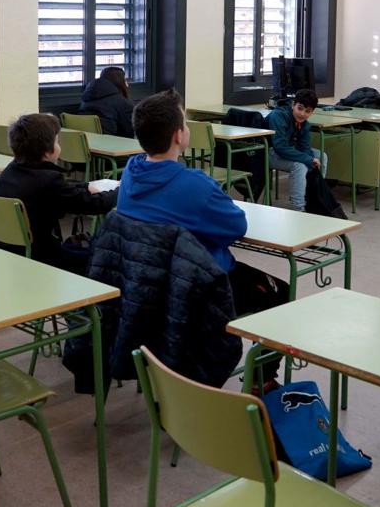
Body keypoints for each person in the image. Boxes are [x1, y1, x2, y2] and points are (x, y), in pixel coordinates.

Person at [116, 89, 288, 384]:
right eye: (183, 122)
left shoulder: (131, 174)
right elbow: (236, 226)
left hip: (148, 283)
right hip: (202, 284)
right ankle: (263, 380)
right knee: (281, 293)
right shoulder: (194, 185)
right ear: (177, 136)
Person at [0, 112, 117, 269]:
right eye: (58, 142)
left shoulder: (11, 170)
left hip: (9, 254)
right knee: (104, 261)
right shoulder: (49, 180)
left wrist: (85, 186)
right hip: (41, 258)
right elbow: (95, 205)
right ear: (47, 151)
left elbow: (61, 192)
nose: (60, 146)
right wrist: (122, 189)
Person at [267, 87, 327, 212]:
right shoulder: (278, 116)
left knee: (321, 156)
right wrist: (308, 160)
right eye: (300, 108)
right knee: (300, 165)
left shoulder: (304, 123)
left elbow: (304, 147)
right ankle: (298, 208)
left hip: (287, 150)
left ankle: (315, 197)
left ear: (312, 112)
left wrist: (311, 160)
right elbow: (280, 147)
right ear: (293, 104)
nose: (302, 114)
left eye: (307, 111)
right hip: (269, 151)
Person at [77, 65, 135, 137]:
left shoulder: (86, 99)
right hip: (113, 145)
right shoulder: (123, 104)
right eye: (125, 80)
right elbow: (129, 133)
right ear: (121, 82)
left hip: (87, 144)